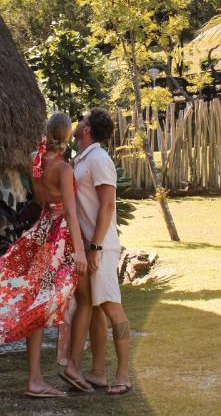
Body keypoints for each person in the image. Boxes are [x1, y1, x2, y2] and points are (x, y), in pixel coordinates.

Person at [0, 113, 88, 399]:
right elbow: (71, 212)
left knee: (33, 301)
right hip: (59, 234)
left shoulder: (34, 160)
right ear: (66, 137)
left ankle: (36, 378)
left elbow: (40, 199)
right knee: (47, 302)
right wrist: (80, 252)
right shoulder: (63, 169)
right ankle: (58, 371)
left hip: (40, 229)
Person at [60, 107, 133, 395]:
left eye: (83, 119)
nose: (78, 123)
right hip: (89, 246)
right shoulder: (82, 159)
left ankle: (124, 375)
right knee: (96, 309)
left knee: (112, 308)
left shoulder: (100, 159)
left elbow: (108, 206)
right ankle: (99, 373)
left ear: (88, 128)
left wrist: (96, 247)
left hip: (100, 247)